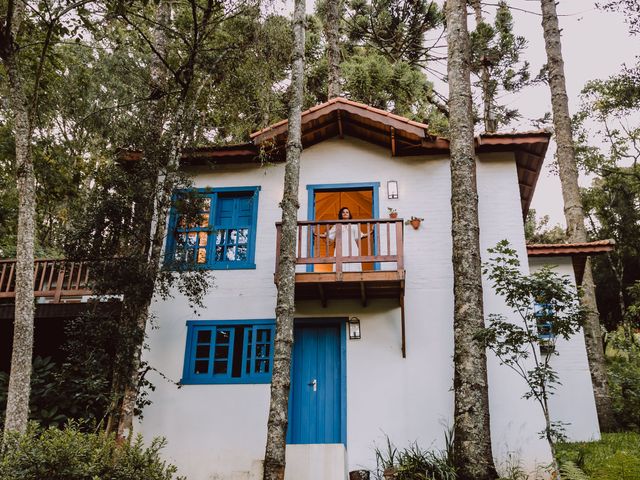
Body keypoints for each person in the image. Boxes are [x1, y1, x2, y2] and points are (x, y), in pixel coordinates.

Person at [317, 207, 369, 272]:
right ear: (341, 214)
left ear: (349, 214)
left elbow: (361, 235)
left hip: (352, 247)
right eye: (343, 212)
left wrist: (370, 232)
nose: (345, 213)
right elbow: (328, 234)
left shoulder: (354, 225)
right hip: (341, 246)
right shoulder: (337, 225)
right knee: (340, 260)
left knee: (353, 260)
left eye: (347, 212)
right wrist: (317, 235)